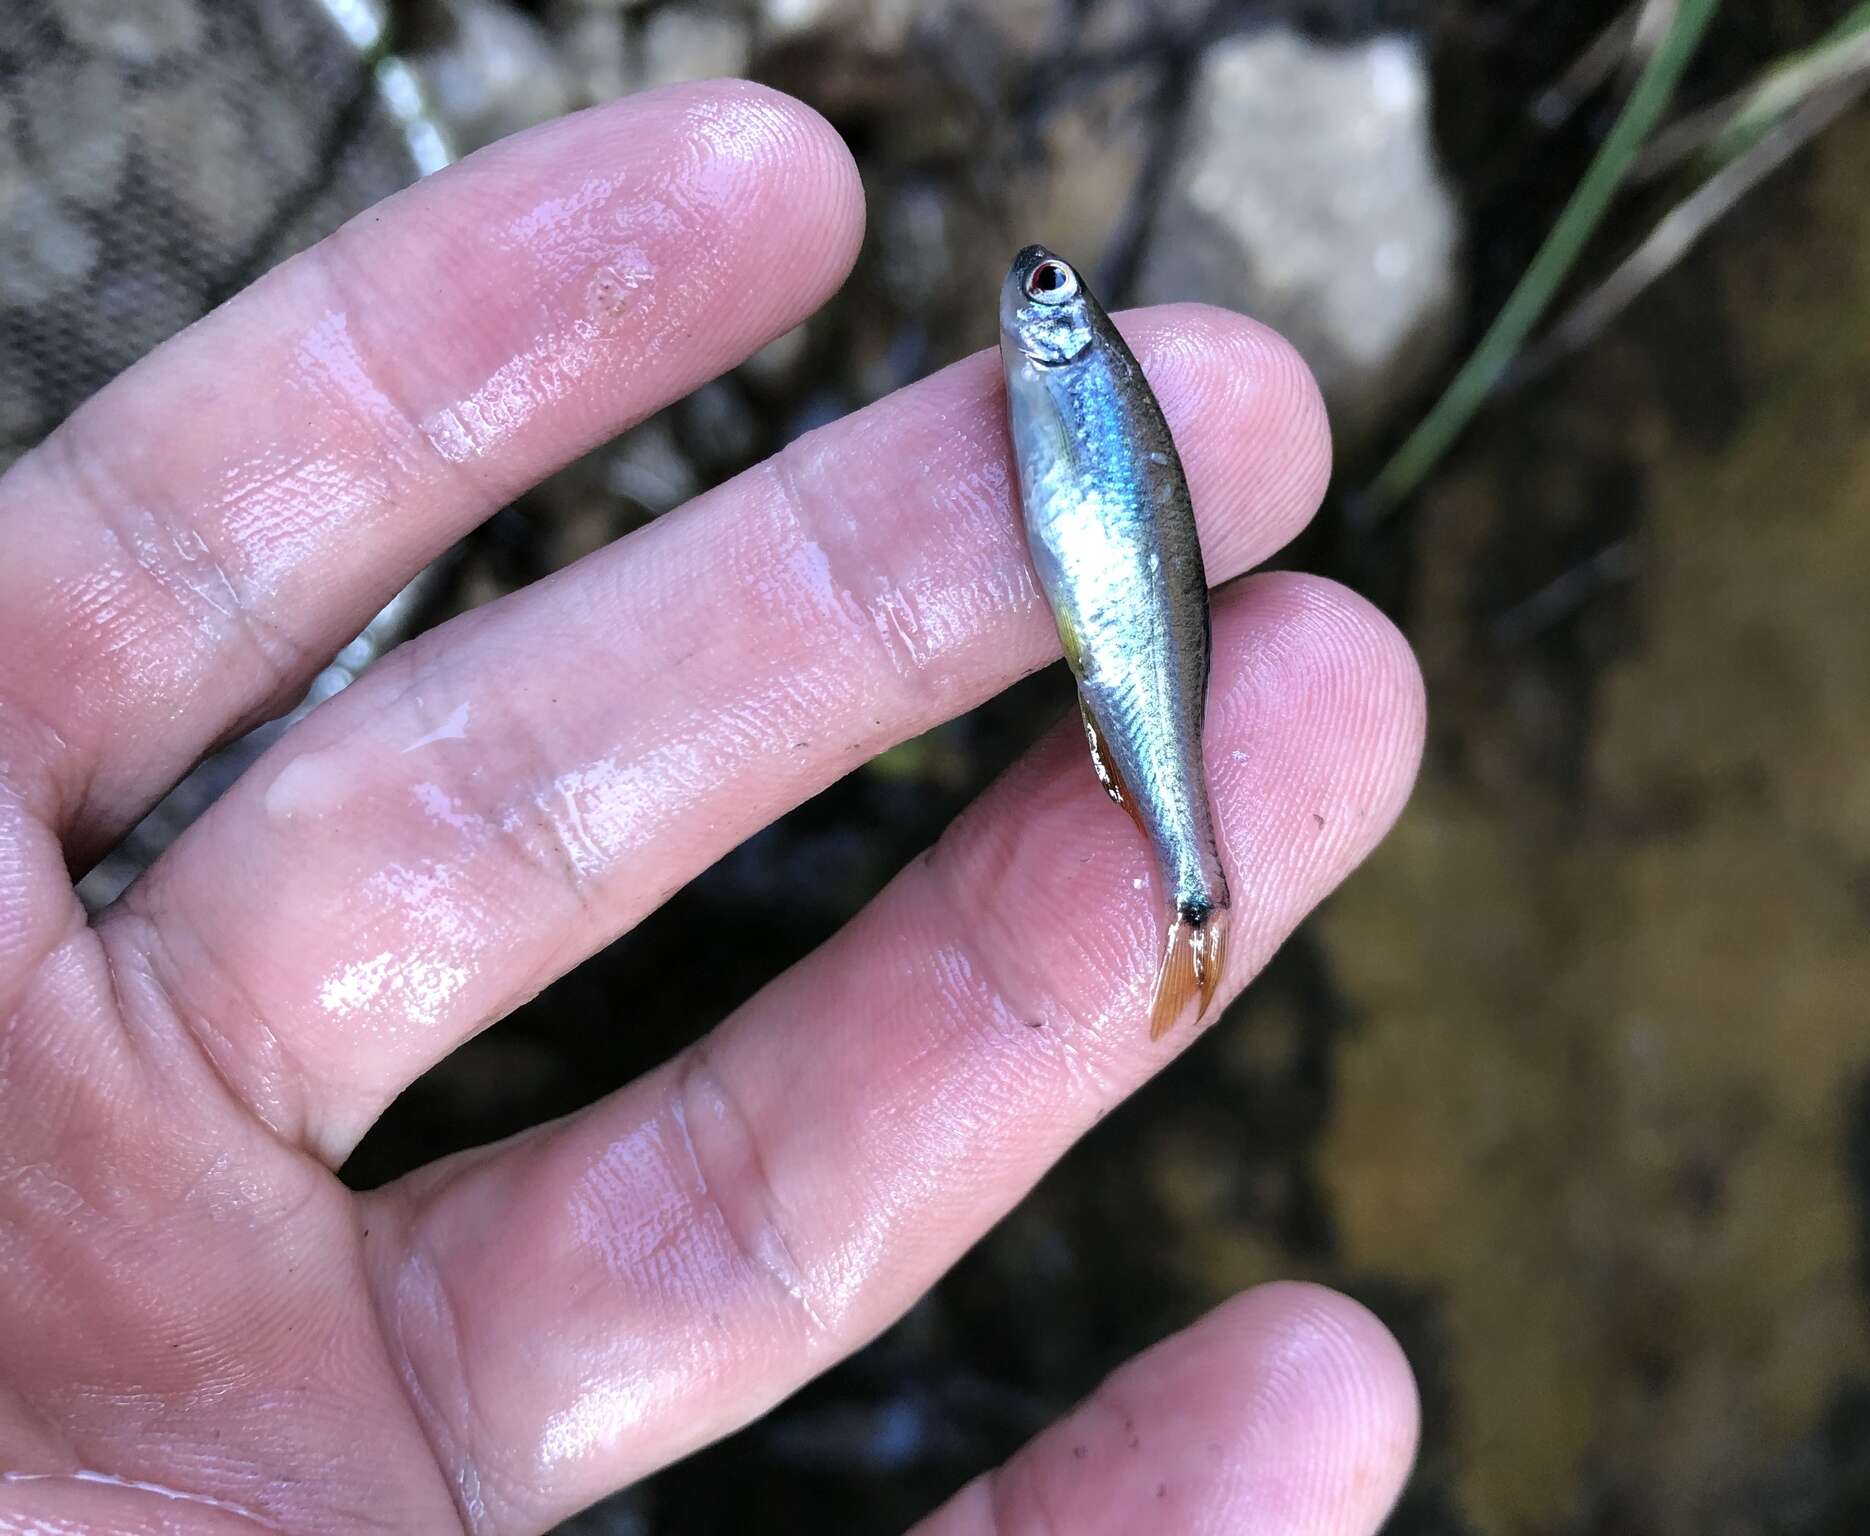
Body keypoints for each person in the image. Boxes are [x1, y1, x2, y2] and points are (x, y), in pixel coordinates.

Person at [0, 81, 1426, 1534]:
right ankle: (1192, 882)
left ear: (1056, 330)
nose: (1033, 295)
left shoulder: (1074, 374)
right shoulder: (1061, 373)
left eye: (1044, 290)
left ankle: (1197, 881)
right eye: (1041, 288)